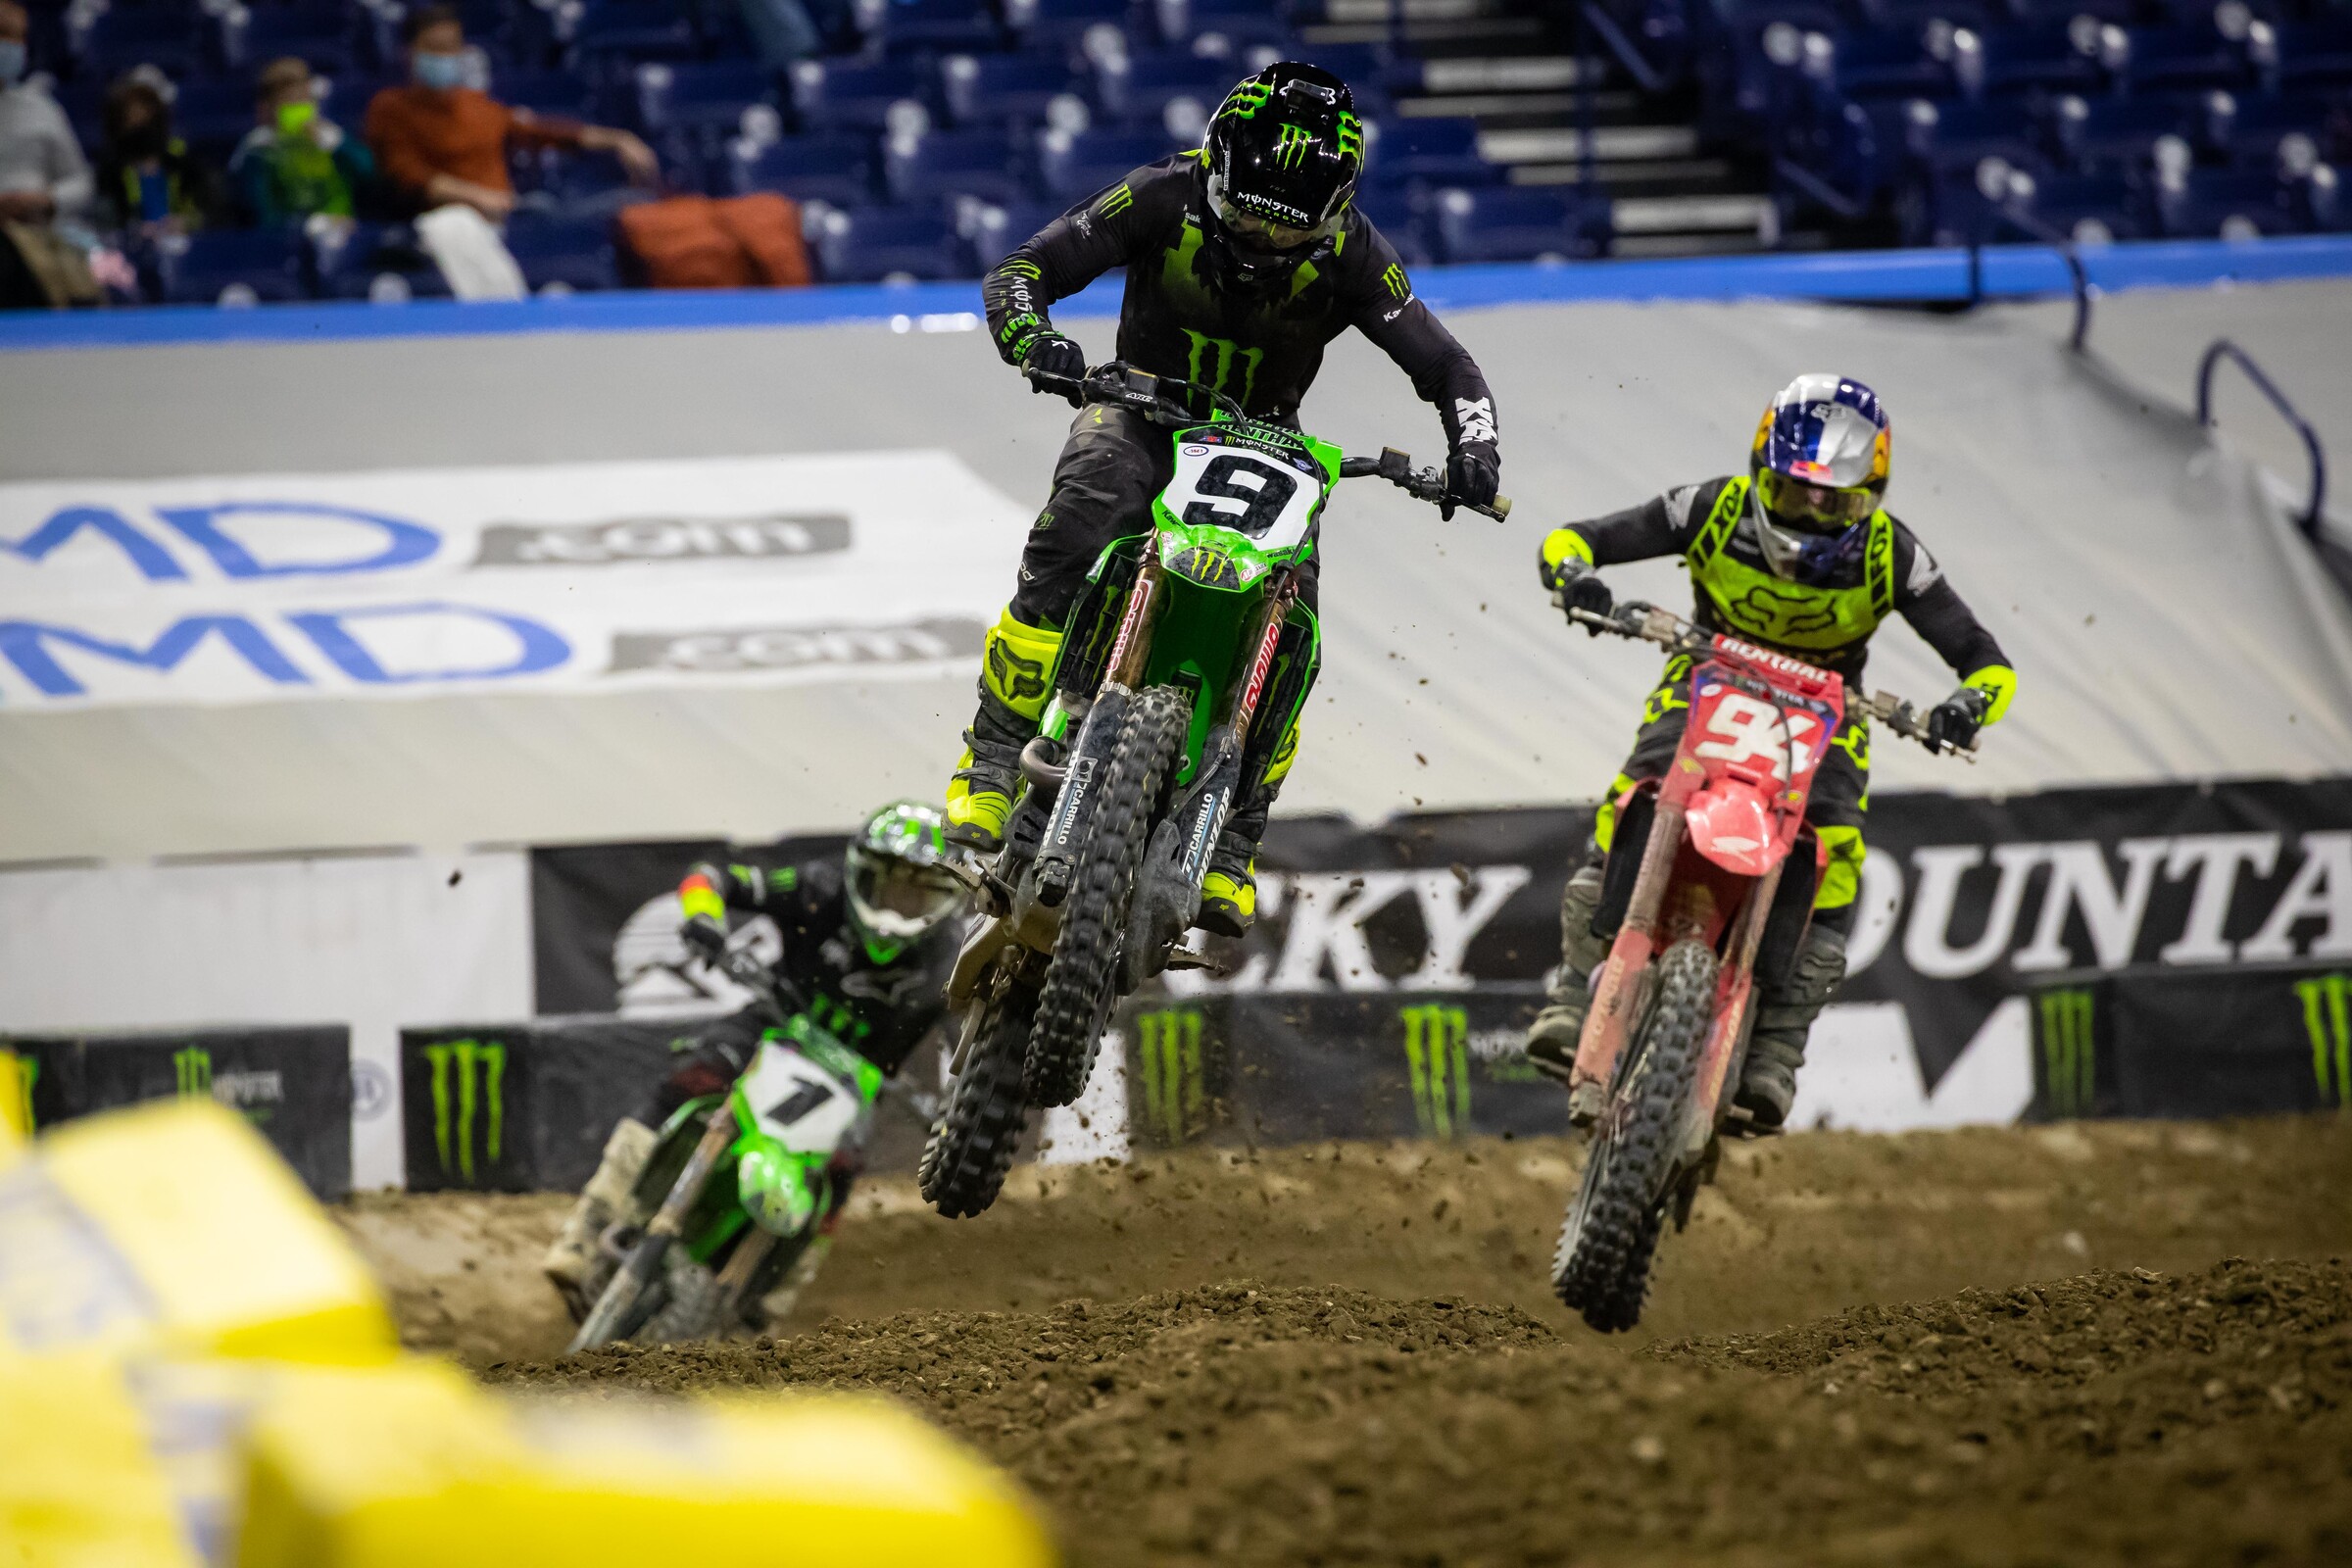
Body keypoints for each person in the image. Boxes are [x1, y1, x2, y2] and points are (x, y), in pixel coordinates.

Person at [958, 61, 1501, 935]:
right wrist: (1036, 339)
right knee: (1073, 529)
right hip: (1139, 408)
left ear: (1332, 210)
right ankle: (987, 770)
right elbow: (1023, 270)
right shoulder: (1158, 195)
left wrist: (1476, 445)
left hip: (1269, 444)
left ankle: (1231, 846)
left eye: (1286, 231)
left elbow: (1449, 366)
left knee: (1298, 634)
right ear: (1215, 166)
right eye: (1245, 212)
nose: (1259, 239)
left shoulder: (1357, 251)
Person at [1524, 374, 2017, 1128]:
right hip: (1706, 674)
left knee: (1839, 851)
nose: (1815, 516)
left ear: (1871, 499)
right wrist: (1577, 580)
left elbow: (1987, 662)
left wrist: (1964, 706)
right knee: (1637, 797)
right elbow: (1574, 539)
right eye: (1795, 495)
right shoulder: (1709, 508)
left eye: (1838, 502)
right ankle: (1572, 990)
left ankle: (1775, 1052)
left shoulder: (1893, 555)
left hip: (1830, 709)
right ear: (1761, 477)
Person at [542, 802, 968, 1321]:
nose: (901, 906)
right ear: (863, 873)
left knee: (836, 1177)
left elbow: (970, 1041)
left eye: (919, 894)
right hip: (772, 1022)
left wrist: (961, 1109)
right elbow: (712, 877)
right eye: (893, 887)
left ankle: (770, 1302)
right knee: (686, 1085)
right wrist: (704, 916)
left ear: (946, 900)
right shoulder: (818, 887)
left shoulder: (950, 955)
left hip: (857, 1079)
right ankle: (587, 1233)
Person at [365, 2, 657, 221]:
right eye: (435, 48)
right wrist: (479, 198)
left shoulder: (475, 104)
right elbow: (410, 176)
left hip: (509, 218)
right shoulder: (390, 107)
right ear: (409, 52)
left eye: (451, 48)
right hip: (445, 222)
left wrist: (619, 139)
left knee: (627, 205)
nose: (445, 57)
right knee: (453, 227)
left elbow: (544, 131)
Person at [0, 0, 95, 308]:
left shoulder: (42, 109)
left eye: (15, 39)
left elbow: (81, 181)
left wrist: (48, 200)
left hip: (39, 233)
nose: (8, 47)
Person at [230, 57, 375, 228]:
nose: (295, 95)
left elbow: (369, 177)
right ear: (266, 103)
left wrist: (338, 145)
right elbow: (261, 217)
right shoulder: (257, 149)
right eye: (284, 88)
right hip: (286, 243)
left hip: (343, 235)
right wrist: (308, 225)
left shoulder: (333, 137)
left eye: (301, 86)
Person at [92, 74, 229, 240]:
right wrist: (134, 231)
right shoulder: (110, 170)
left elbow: (213, 210)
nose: (139, 120)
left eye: (146, 112)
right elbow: (105, 223)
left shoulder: (181, 157)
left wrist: (187, 223)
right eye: (130, 115)